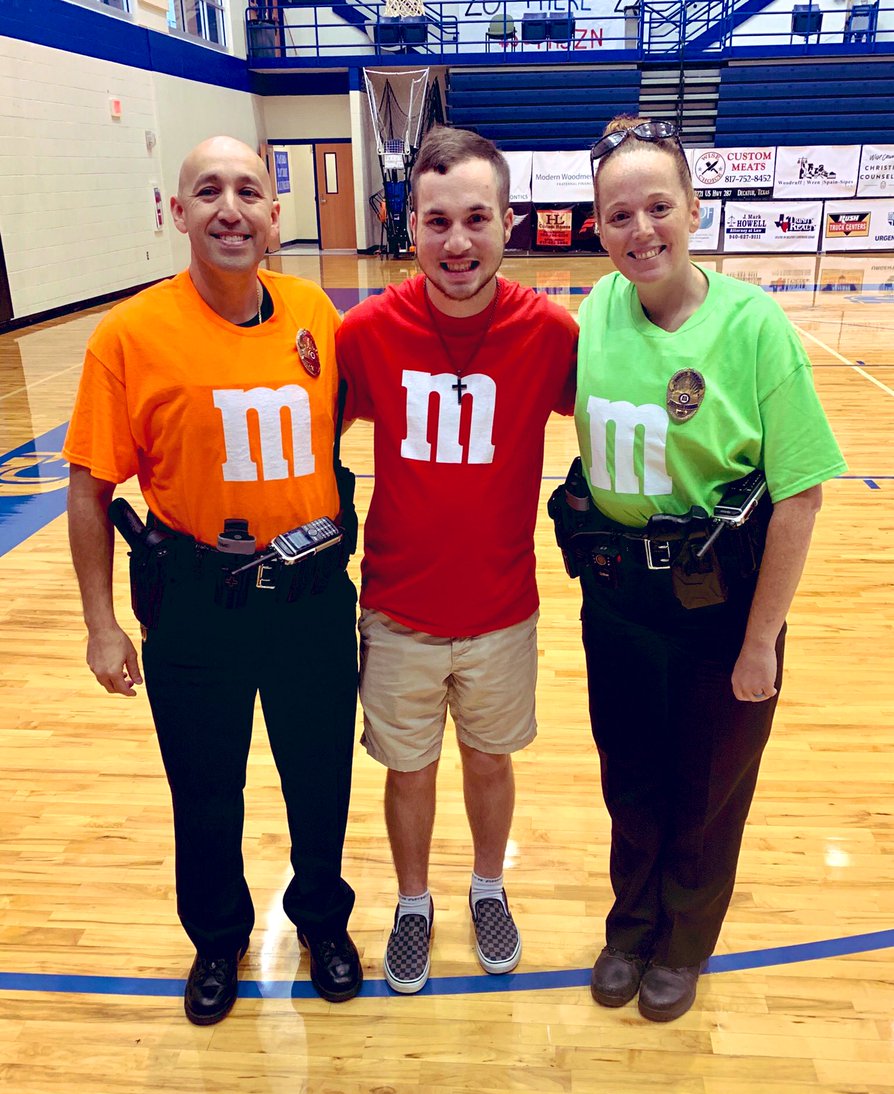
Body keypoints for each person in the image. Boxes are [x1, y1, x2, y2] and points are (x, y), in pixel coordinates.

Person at [63, 136, 362, 1024]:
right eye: (207, 192)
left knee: (321, 777)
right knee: (203, 787)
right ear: (178, 212)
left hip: (310, 597)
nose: (229, 209)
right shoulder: (128, 336)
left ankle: (322, 921)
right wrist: (100, 622)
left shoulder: (317, 315)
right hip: (197, 603)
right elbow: (89, 487)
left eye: (248, 192)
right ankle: (218, 939)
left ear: (276, 214)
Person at [566, 116, 846, 1022]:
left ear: (693, 208)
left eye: (658, 207)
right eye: (619, 214)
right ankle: (630, 925)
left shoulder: (754, 324)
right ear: (597, 227)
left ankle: (683, 942)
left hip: (721, 604)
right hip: (617, 600)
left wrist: (761, 640)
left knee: (708, 784)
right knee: (630, 774)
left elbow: (799, 493)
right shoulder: (594, 312)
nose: (641, 229)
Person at [336, 127, 578, 994]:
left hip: (504, 608)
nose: (458, 242)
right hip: (397, 605)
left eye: (477, 218)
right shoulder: (364, 333)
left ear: (508, 221)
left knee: (490, 760)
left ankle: (487, 885)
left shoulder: (552, 333)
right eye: (437, 221)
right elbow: (312, 439)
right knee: (409, 769)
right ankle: (411, 902)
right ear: (411, 229)